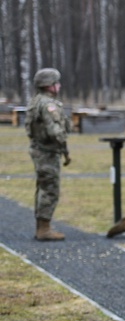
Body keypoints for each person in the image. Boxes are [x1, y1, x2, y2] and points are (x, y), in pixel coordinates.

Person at [24, 67, 72, 241]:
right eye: (56, 83)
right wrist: (62, 142)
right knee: (49, 189)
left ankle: (42, 226)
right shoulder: (48, 105)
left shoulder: (36, 101)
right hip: (47, 152)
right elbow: (55, 131)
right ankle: (44, 229)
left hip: (40, 150)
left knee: (43, 187)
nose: (59, 86)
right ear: (49, 86)